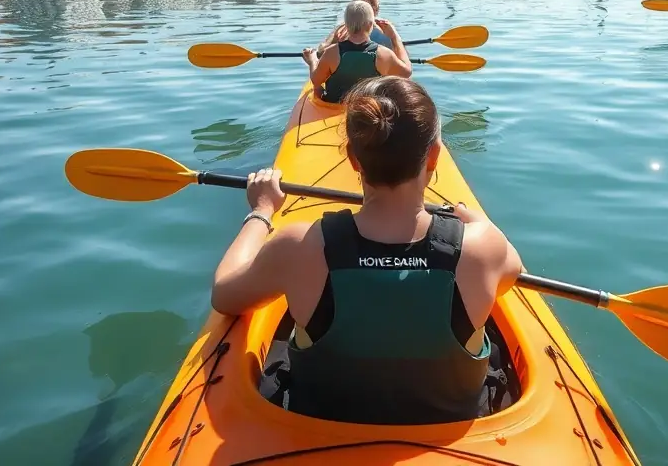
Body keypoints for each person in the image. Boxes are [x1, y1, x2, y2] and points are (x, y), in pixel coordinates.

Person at [209, 76, 525, 425]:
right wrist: (478, 222)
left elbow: (224, 294)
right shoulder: (483, 248)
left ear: (353, 159)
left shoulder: (300, 247)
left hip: (322, 435)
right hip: (449, 437)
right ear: (433, 157)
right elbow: (511, 277)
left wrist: (262, 211)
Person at [303, 0, 411, 103]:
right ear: (370, 25)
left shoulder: (331, 52)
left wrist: (312, 61)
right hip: (368, 110)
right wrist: (394, 37)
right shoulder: (384, 54)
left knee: (318, 89)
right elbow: (406, 73)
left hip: (335, 107)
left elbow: (316, 81)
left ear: (346, 25)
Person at [318, 0, 395, 51]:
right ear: (376, 9)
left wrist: (334, 40)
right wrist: (395, 38)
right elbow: (403, 63)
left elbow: (320, 53)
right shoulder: (387, 30)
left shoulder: (342, 30)